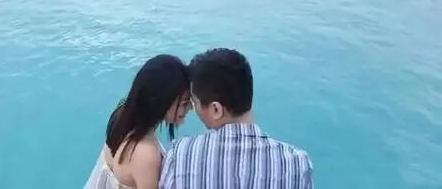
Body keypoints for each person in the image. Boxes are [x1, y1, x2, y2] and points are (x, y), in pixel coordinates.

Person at [159, 48, 314, 189]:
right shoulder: (297, 164)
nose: (194, 109)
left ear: (216, 109)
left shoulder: (180, 154)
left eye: (195, 102)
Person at [85, 54, 192, 189]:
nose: (190, 108)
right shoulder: (146, 154)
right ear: (162, 101)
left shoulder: (121, 116)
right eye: (184, 103)